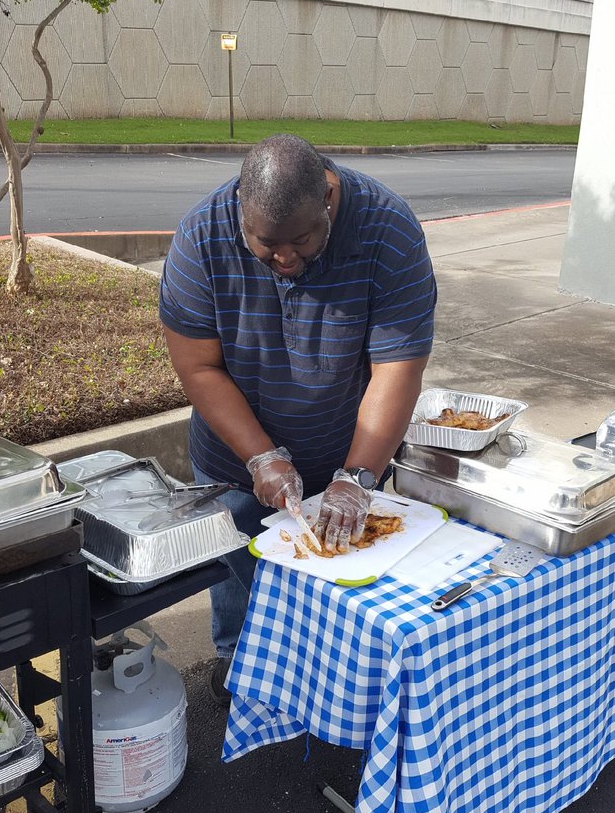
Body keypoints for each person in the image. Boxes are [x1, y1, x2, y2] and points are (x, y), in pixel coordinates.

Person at [160, 133, 437, 705]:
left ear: (329, 199)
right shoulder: (200, 236)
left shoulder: (388, 230)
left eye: (302, 240)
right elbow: (199, 367)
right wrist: (260, 454)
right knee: (240, 571)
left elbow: (397, 367)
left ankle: (328, 683)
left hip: (347, 450)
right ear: (241, 210)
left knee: (339, 584)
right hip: (234, 459)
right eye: (266, 244)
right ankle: (240, 669)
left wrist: (357, 478)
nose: (285, 258)